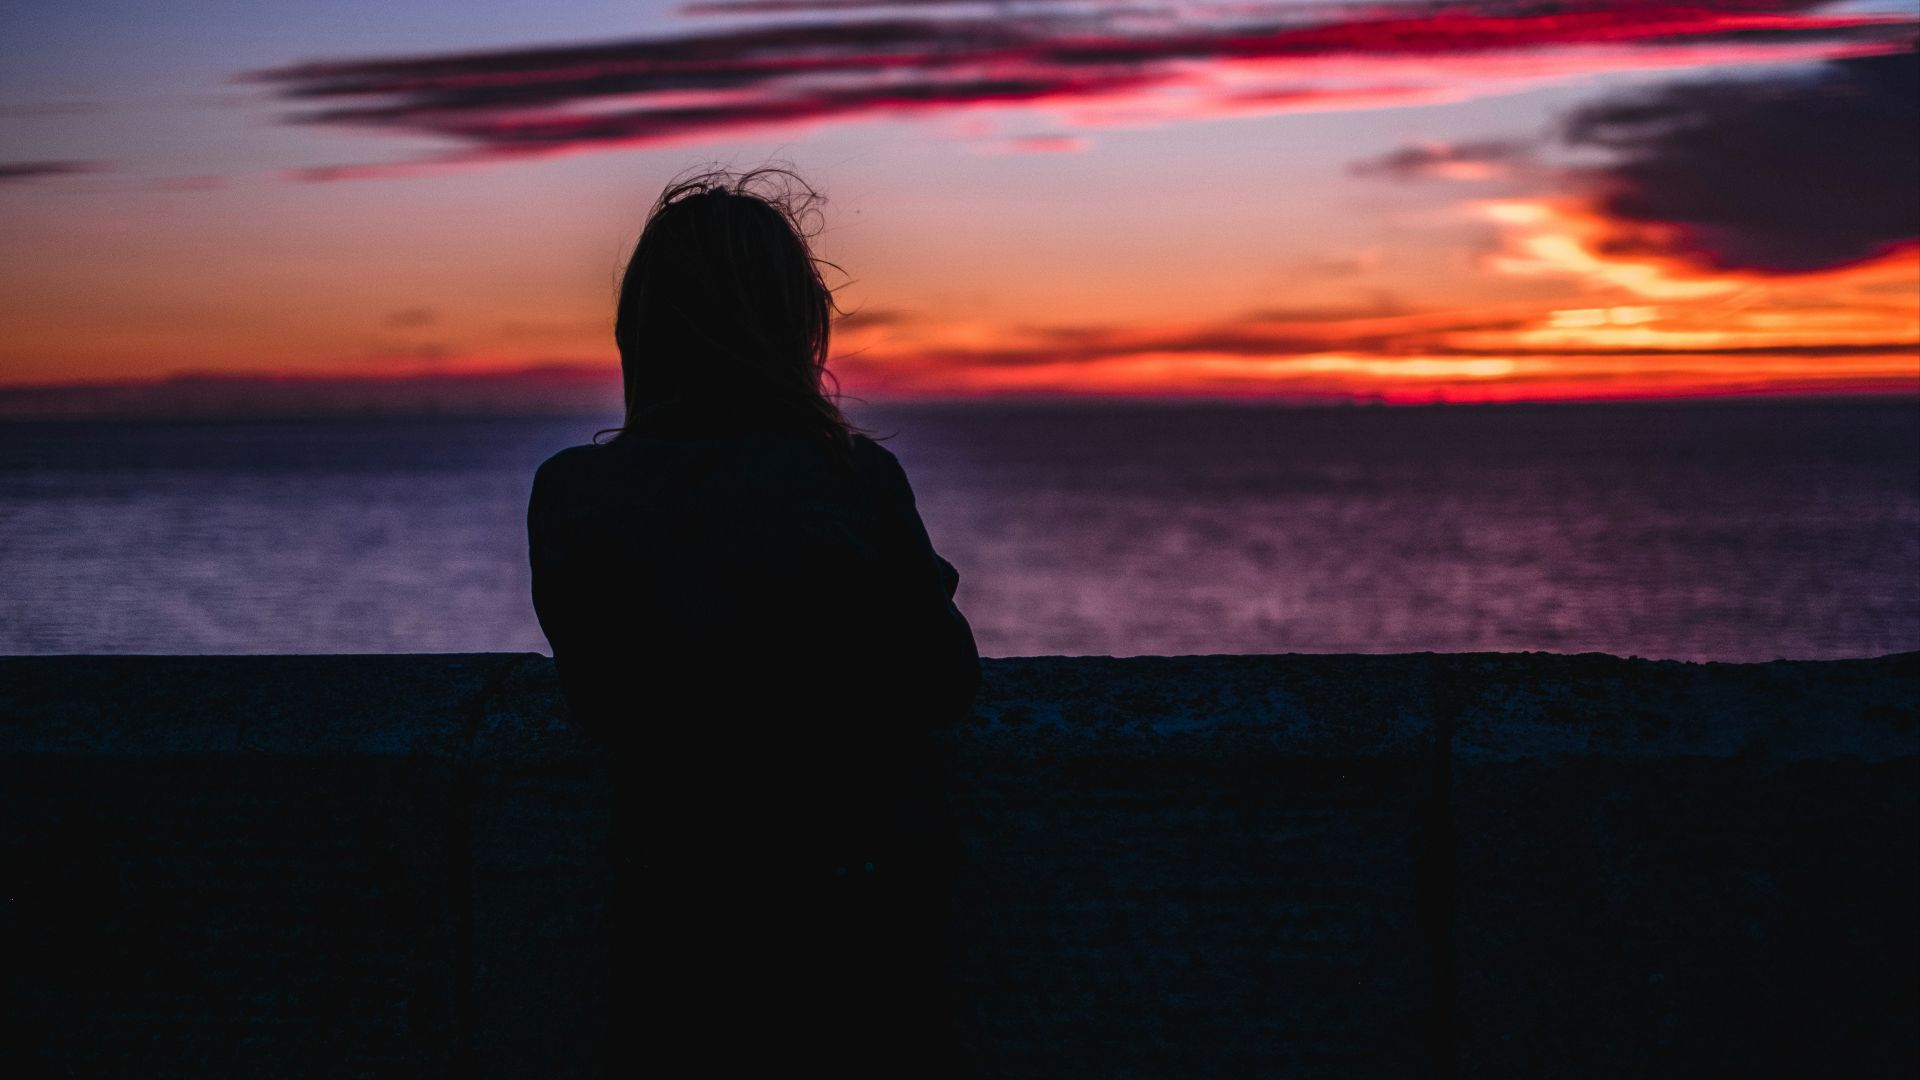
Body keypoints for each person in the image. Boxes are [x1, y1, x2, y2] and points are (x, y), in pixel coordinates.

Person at [526, 166, 981, 1074]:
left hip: (671, 928)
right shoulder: (849, 479)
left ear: (641, 330)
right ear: (792, 329)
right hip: (853, 923)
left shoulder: (574, 496)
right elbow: (945, 681)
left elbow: (600, 694)